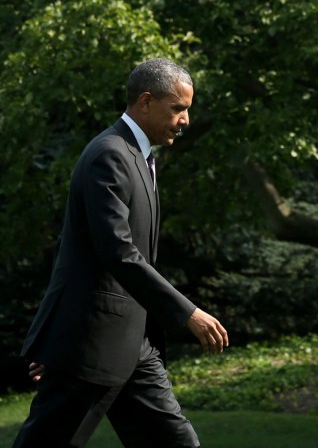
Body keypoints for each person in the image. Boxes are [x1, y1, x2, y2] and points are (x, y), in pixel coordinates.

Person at [11, 58, 228, 448]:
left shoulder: (140, 158)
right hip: (91, 346)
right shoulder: (109, 155)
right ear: (146, 102)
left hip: (134, 347)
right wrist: (187, 313)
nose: (186, 120)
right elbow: (117, 252)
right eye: (178, 108)